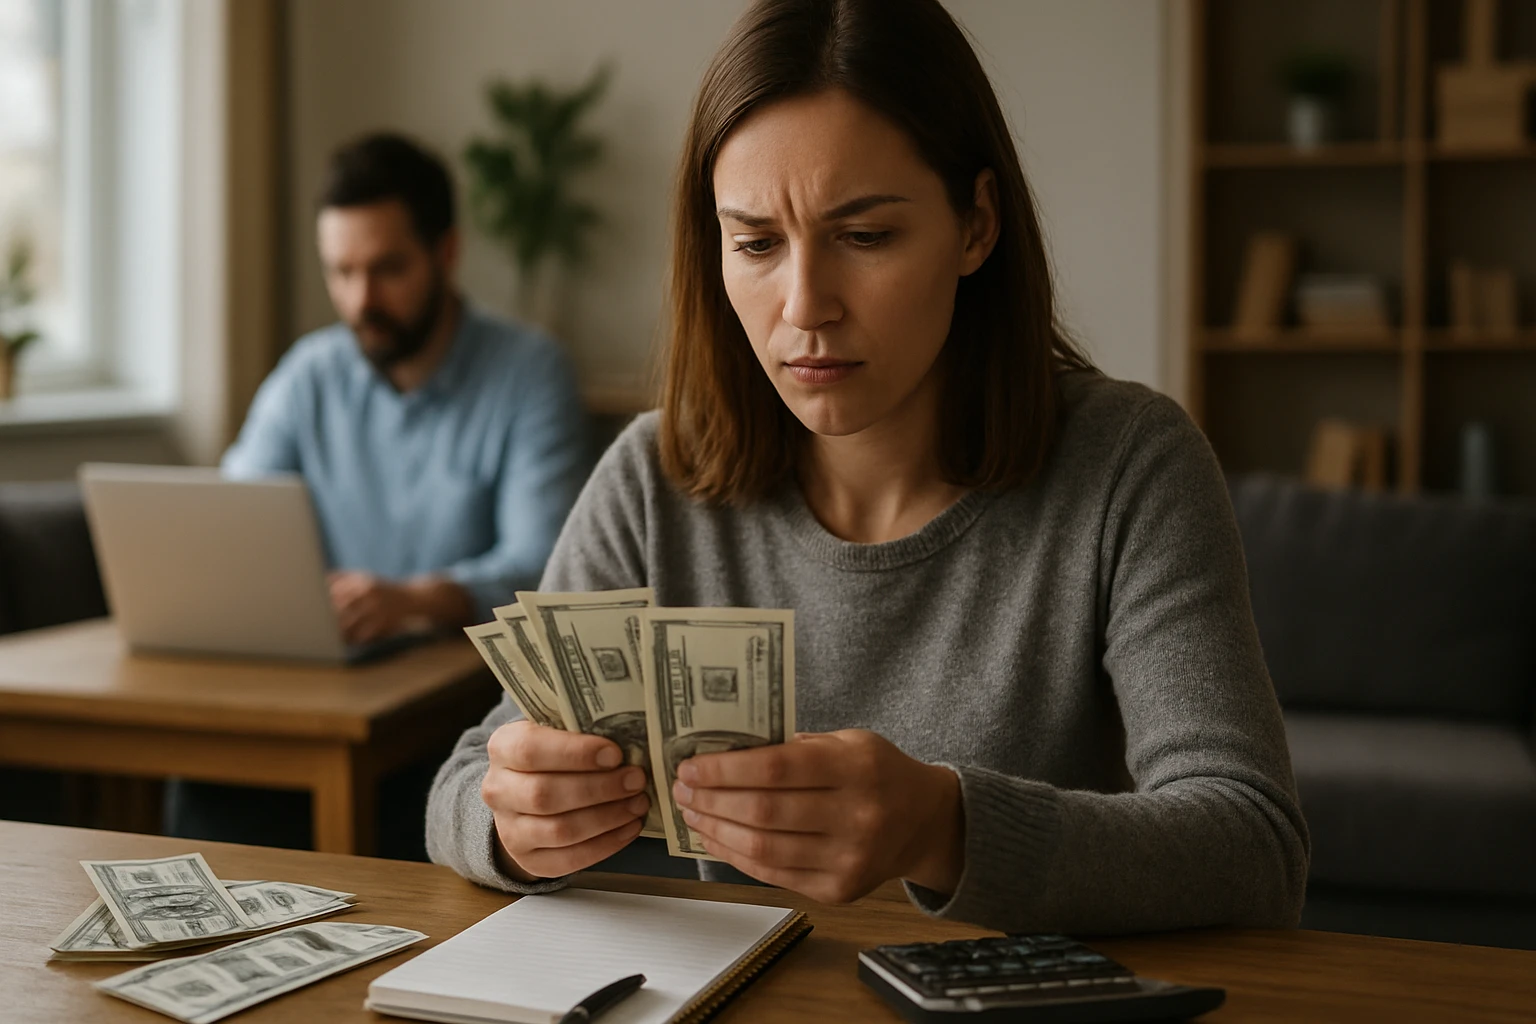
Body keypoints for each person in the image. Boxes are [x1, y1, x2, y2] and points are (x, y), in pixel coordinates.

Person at [427, 0, 1309, 934]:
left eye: (865, 236)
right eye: (757, 243)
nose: (806, 305)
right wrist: (515, 822)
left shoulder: (1130, 464)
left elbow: (1253, 846)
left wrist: (945, 826)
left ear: (976, 225)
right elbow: (463, 782)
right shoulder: (654, 475)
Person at [167, 134, 590, 857]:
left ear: (446, 252)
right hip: (319, 694)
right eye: (341, 272)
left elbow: (546, 566)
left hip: (448, 712)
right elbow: (230, 520)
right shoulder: (309, 375)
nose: (362, 300)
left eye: (387, 269)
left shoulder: (529, 370)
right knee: (202, 783)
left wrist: (415, 598)